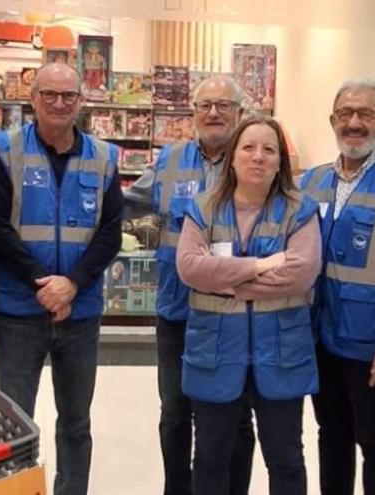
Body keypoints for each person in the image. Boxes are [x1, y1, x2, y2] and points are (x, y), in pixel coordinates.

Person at [0, 62, 123, 495]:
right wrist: (46, 284)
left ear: (81, 101)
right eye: (49, 95)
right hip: (19, 311)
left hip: (80, 313)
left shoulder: (104, 157)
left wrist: (73, 283)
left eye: (69, 96)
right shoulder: (6, 149)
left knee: (76, 421)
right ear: (33, 99)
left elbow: (111, 231)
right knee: (15, 421)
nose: (59, 104)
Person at [123, 75, 256, 495]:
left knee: (236, 414)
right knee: (176, 412)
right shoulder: (169, 161)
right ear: (193, 112)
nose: (214, 113)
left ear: (240, 113)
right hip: (177, 311)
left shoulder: (254, 161)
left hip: (236, 313)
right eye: (205, 105)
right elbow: (127, 201)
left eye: (224, 105)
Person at [177, 116, 322, 494]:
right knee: (209, 458)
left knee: (286, 459)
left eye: (269, 149)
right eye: (248, 147)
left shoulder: (299, 210)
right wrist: (259, 265)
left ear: (280, 162)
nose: (258, 157)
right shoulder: (204, 206)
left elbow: (301, 272)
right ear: (233, 157)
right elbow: (190, 267)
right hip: (215, 351)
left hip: (281, 352)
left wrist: (230, 282)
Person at [298, 78, 375, 495]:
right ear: (332, 121)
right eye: (346, 115)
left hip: (371, 342)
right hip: (319, 336)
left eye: (365, 114)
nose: (354, 123)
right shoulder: (309, 183)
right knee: (329, 431)